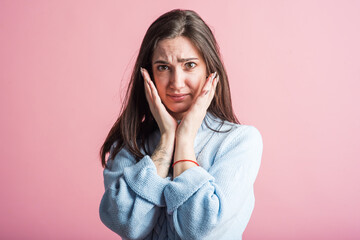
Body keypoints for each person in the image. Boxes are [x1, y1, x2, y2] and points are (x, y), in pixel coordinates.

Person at [99, 9, 263, 240]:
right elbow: (126, 225)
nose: (177, 83)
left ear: (210, 70)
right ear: (148, 75)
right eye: (163, 67)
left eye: (190, 65)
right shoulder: (127, 145)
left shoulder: (240, 142)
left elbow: (201, 230)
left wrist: (184, 140)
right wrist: (167, 140)